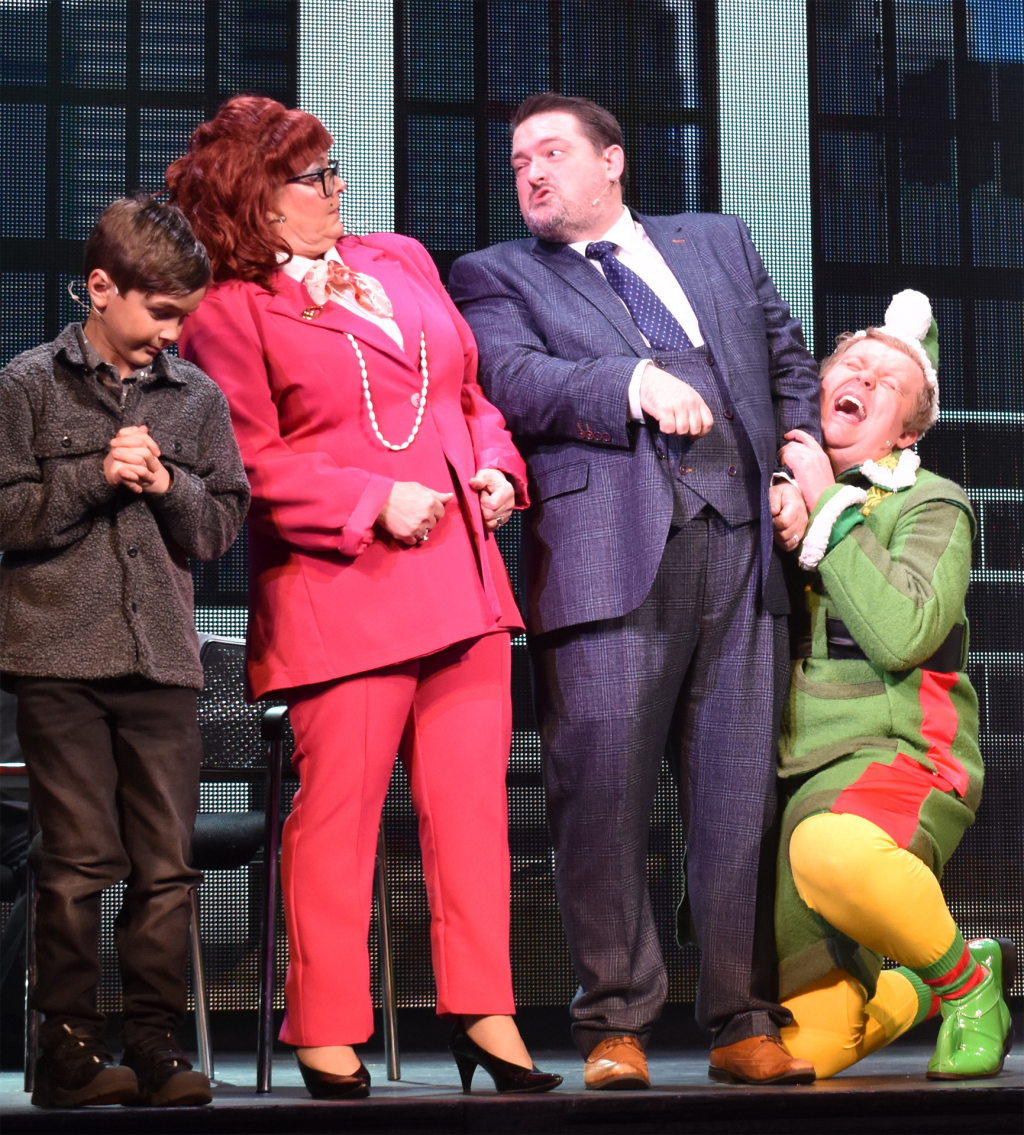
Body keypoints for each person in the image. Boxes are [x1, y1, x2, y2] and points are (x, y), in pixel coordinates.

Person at [168, 95, 561, 1099]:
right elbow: (244, 460)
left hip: (462, 578)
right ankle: (328, 1024)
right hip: (342, 588)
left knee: (470, 813)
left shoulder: (400, 259)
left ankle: (483, 1010)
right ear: (256, 199)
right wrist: (371, 499)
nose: (336, 188)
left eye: (332, 168)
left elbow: (467, 395)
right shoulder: (227, 310)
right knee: (337, 820)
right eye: (314, 176)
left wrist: (496, 465)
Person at [448, 92, 821, 1088]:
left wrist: (802, 456)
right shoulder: (495, 274)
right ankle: (615, 1021)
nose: (531, 172)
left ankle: (743, 1018)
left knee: (737, 800)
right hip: (605, 558)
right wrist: (630, 382)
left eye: (552, 152)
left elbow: (786, 359)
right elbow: (512, 378)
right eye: (519, 160)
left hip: (741, 548)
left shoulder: (718, 241)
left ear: (611, 160)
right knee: (602, 798)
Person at [0, 196, 250, 1108]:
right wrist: (94, 477)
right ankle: (66, 1050)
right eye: (160, 311)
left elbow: (221, 525)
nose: (172, 333)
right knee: (77, 861)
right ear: (101, 287)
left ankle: (154, 1041)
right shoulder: (27, 385)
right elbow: (5, 514)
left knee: (165, 864)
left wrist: (168, 481)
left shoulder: (197, 398)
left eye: (184, 315)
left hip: (162, 667)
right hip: (58, 662)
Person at [774, 290, 1014, 1080]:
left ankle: (969, 988)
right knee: (804, 1054)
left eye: (889, 381)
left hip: (894, 751)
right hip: (788, 780)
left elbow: (904, 631)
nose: (865, 379)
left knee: (832, 848)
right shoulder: (767, 492)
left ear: (907, 431)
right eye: (853, 364)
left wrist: (827, 505)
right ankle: (924, 983)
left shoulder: (931, 503)